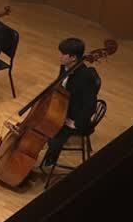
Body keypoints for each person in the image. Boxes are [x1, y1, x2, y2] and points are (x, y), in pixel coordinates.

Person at [42, 38, 101, 167]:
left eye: (64, 54)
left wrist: (75, 123)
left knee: (53, 137)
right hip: (63, 109)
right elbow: (60, 85)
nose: (60, 56)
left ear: (73, 57)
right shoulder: (65, 67)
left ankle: (51, 157)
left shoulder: (86, 77)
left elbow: (90, 105)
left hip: (75, 117)